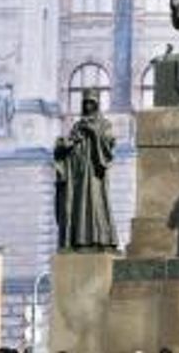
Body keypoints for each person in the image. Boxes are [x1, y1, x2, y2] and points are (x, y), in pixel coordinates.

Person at [54, 89, 118, 251]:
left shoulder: (104, 124)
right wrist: (67, 145)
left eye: (91, 102)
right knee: (78, 207)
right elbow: (70, 144)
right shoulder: (78, 125)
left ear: (96, 104)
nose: (88, 106)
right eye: (86, 103)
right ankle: (79, 240)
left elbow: (109, 144)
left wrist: (94, 132)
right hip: (79, 173)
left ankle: (100, 239)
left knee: (97, 205)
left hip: (95, 173)